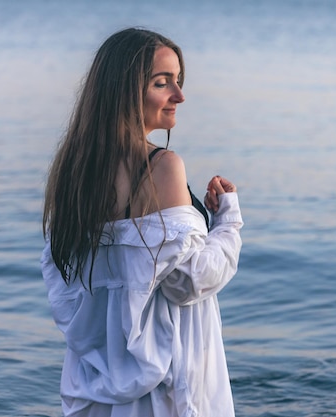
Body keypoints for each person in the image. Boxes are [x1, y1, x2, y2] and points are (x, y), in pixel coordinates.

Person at [41, 27, 243, 417]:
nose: (179, 96)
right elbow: (188, 281)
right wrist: (227, 222)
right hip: (164, 384)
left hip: (95, 384)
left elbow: (70, 295)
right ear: (124, 90)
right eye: (162, 82)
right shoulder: (162, 166)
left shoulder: (72, 174)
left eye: (178, 81)